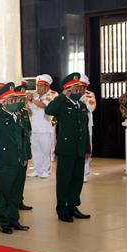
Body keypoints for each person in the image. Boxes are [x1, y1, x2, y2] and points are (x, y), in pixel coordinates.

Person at [0, 83, 31, 234]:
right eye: (11, 100)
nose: (15, 102)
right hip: (6, 160)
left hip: (19, 159)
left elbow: (24, 138)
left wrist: (26, 156)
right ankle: (3, 222)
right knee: (5, 192)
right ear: (4, 101)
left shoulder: (19, 115)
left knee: (17, 192)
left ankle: (14, 220)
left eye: (15, 99)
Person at [45, 73, 91, 222]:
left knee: (77, 180)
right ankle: (62, 209)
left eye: (81, 89)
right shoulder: (62, 104)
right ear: (69, 90)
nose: (80, 92)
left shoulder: (82, 106)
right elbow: (49, 110)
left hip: (79, 148)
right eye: (76, 89)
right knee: (64, 180)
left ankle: (73, 206)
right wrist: (62, 96)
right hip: (66, 149)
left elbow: (85, 129)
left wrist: (87, 148)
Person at [27, 74, 58, 178]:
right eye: (38, 85)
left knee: (46, 150)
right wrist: (26, 103)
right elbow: (31, 112)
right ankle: (37, 169)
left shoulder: (52, 94)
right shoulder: (35, 96)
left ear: (47, 86)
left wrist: (32, 100)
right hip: (35, 127)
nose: (38, 88)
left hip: (46, 128)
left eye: (41, 86)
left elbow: (44, 105)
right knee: (35, 150)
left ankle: (46, 170)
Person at [14, 84, 33, 211]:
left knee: (21, 178)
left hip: (24, 149)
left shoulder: (25, 112)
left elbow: (28, 131)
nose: (21, 101)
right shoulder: (12, 113)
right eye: (19, 99)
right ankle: (14, 201)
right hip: (15, 152)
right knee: (14, 179)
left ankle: (19, 200)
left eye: (23, 99)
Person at [80, 74, 96, 182]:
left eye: (81, 86)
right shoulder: (70, 94)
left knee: (85, 148)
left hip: (86, 126)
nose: (79, 88)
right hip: (74, 127)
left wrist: (81, 99)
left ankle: (85, 173)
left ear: (85, 86)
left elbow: (91, 107)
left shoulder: (89, 95)